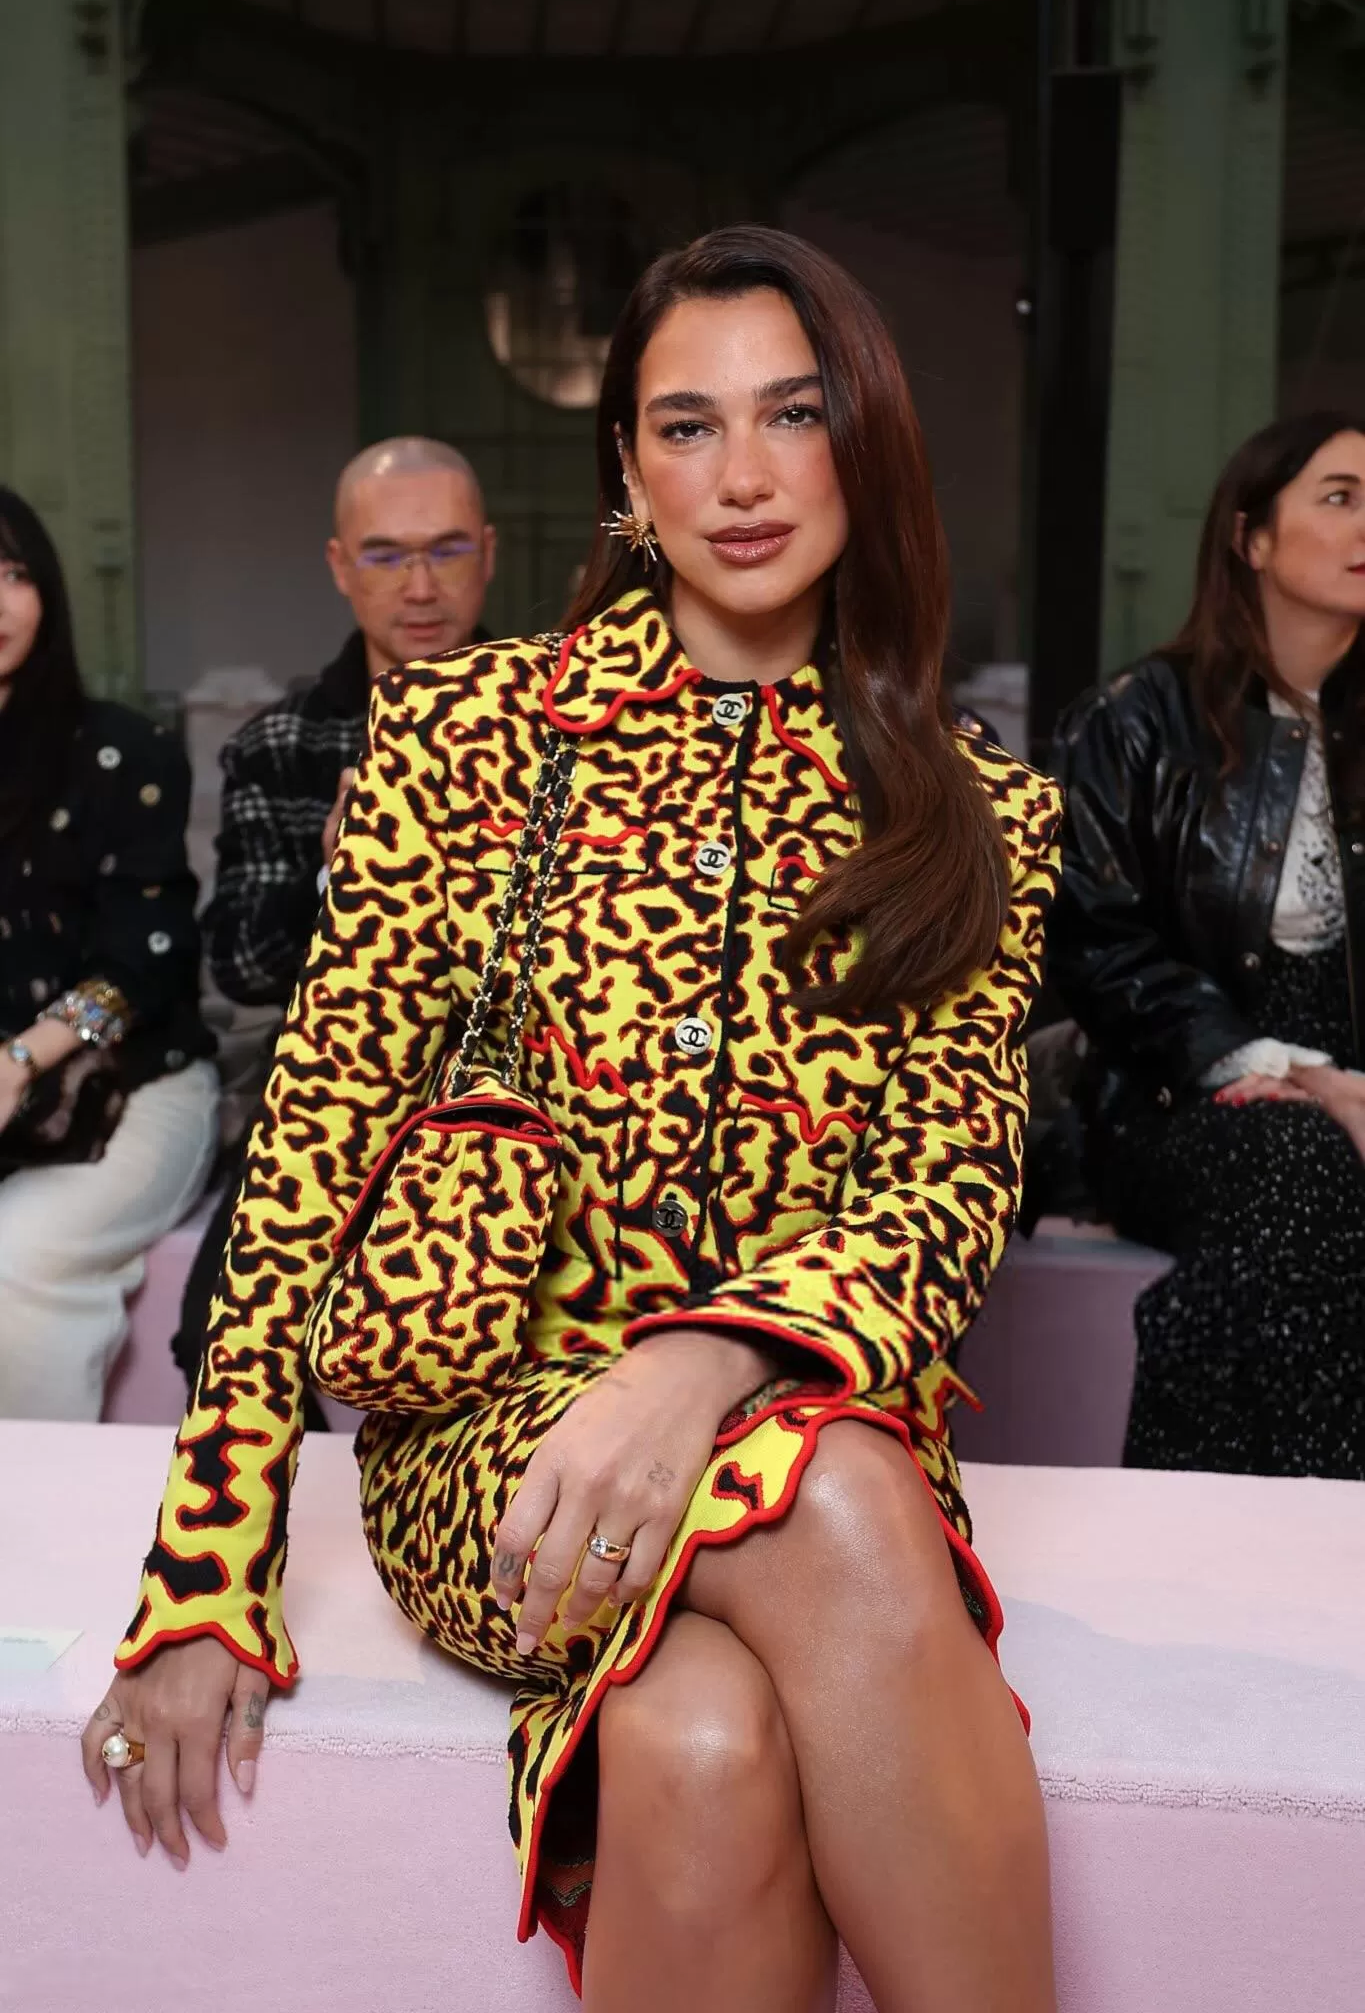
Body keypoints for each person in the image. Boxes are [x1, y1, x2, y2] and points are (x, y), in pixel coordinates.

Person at [83, 228, 1061, 2013]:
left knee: (702, 1738)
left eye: (794, 415)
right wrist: (205, 1577)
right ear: (628, 466)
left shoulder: (976, 806)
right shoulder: (468, 735)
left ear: (868, 443)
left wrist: (702, 1363)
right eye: (688, 426)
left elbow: (947, 1188)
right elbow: (308, 1151)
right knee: (834, 1508)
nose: (743, 476)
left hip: (796, 1413)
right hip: (499, 1448)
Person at [1049, 410, 1365, 1476]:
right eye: (1339, 497)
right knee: (1299, 1171)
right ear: (1251, 537)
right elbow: (1093, 943)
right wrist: (1275, 1065)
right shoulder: (1137, 721)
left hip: (1351, 1091)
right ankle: (1233, 1519)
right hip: (1179, 1089)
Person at [170, 438, 497, 1405]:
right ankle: (287, 1500)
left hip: (524, 1097)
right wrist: (341, 878)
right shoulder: (283, 741)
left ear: (487, 553)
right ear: (341, 566)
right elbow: (242, 962)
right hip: (331, 1096)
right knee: (221, 1336)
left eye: (445, 550)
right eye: (387, 555)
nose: (420, 587)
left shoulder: (569, 726)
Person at [0, 486, 218, 1419]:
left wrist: (19, 1059)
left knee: (17, 1259)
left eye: (15, 574)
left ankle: (34, 1507)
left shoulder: (123, 754)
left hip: (139, 1085)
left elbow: (146, 961)